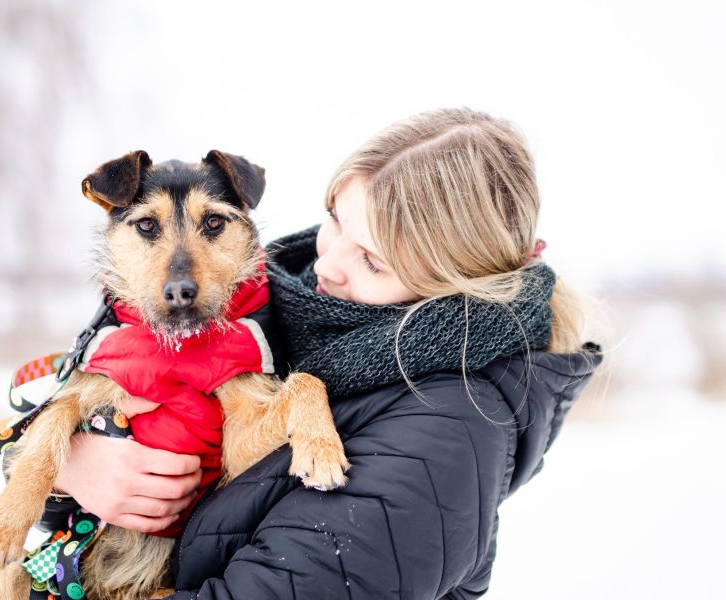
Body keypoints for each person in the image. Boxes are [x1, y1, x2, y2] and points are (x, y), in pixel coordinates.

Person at [55, 107, 602, 598]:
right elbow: (71, 402)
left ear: (449, 282)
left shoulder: (448, 433)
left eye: (372, 261)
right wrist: (67, 469)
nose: (328, 265)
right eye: (335, 220)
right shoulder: (265, 305)